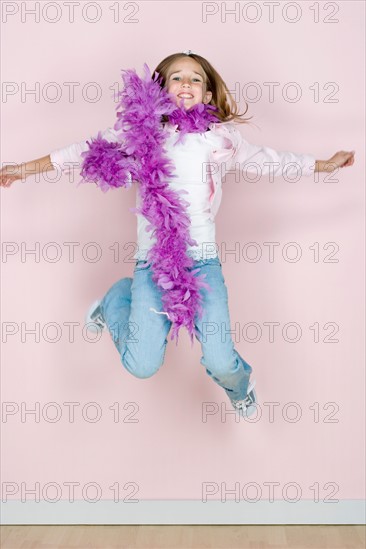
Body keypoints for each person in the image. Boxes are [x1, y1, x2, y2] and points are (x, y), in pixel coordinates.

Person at [0, 52, 355, 418]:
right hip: (152, 266)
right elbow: (79, 153)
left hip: (202, 265)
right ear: (160, 88)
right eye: (177, 77)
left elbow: (272, 161)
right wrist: (24, 169)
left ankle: (240, 387)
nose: (186, 84)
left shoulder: (222, 139)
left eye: (196, 79)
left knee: (222, 362)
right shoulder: (141, 134)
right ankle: (114, 300)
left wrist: (323, 165)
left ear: (208, 92)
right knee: (141, 365)